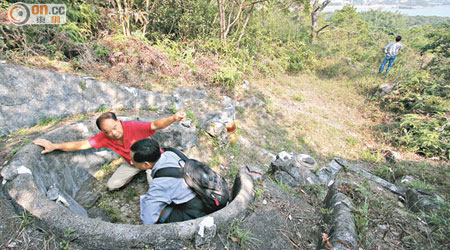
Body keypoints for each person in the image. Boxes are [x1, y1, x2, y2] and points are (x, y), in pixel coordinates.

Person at [33, 108, 186, 191]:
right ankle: (133, 175)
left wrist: (173, 118)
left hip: (151, 161)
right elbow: (82, 144)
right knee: (112, 186)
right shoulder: (104, 137)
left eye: (115, 127)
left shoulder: (133, 126)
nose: (113, 133)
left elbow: (154, 125)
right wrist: (54, 146)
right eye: (108, 131)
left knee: (158, 187)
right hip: (132, 163)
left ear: (119, 122)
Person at [130, 138, 206, 224]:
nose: (132, 163)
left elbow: (148, 220)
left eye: (132, 161)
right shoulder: (171, 153)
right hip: (201, 191)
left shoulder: (159, 185)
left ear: (146, 164)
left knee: (159, 212)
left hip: (196, 211)